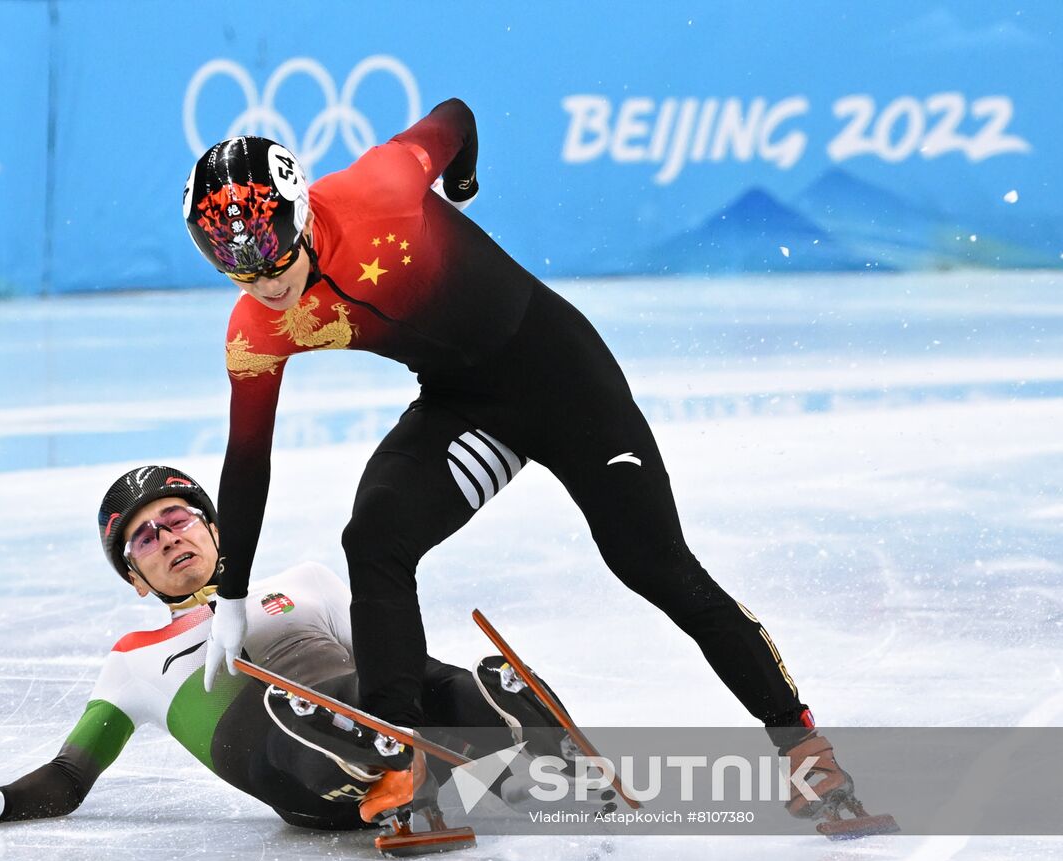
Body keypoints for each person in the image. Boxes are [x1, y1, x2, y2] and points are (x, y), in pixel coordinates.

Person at [183, 99, 848, 820]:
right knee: (375, 534)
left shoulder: (381, 189)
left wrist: (461, 182)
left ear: (300, 215)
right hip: (464, 406)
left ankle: (801, 743)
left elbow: (458, 117)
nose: (265, 284)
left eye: (274, 254)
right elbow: (248, 455)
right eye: (237, 271)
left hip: (566, 383)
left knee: (655, 566)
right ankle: (395, 747)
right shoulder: (256, 327)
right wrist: (232, 591)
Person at [0, 465, 565, 831]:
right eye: (144, 539)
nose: (167, 538)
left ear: (216, 531)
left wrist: (447, 684)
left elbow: (396, 662)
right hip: (300, 780)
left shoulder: (303, 582)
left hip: (373, 704)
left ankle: (509, 720)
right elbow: (71, 775)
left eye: (177, 519)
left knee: (413, 674)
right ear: (136, 579)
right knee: (291, 712)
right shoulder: (132, 661)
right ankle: (375, 755)